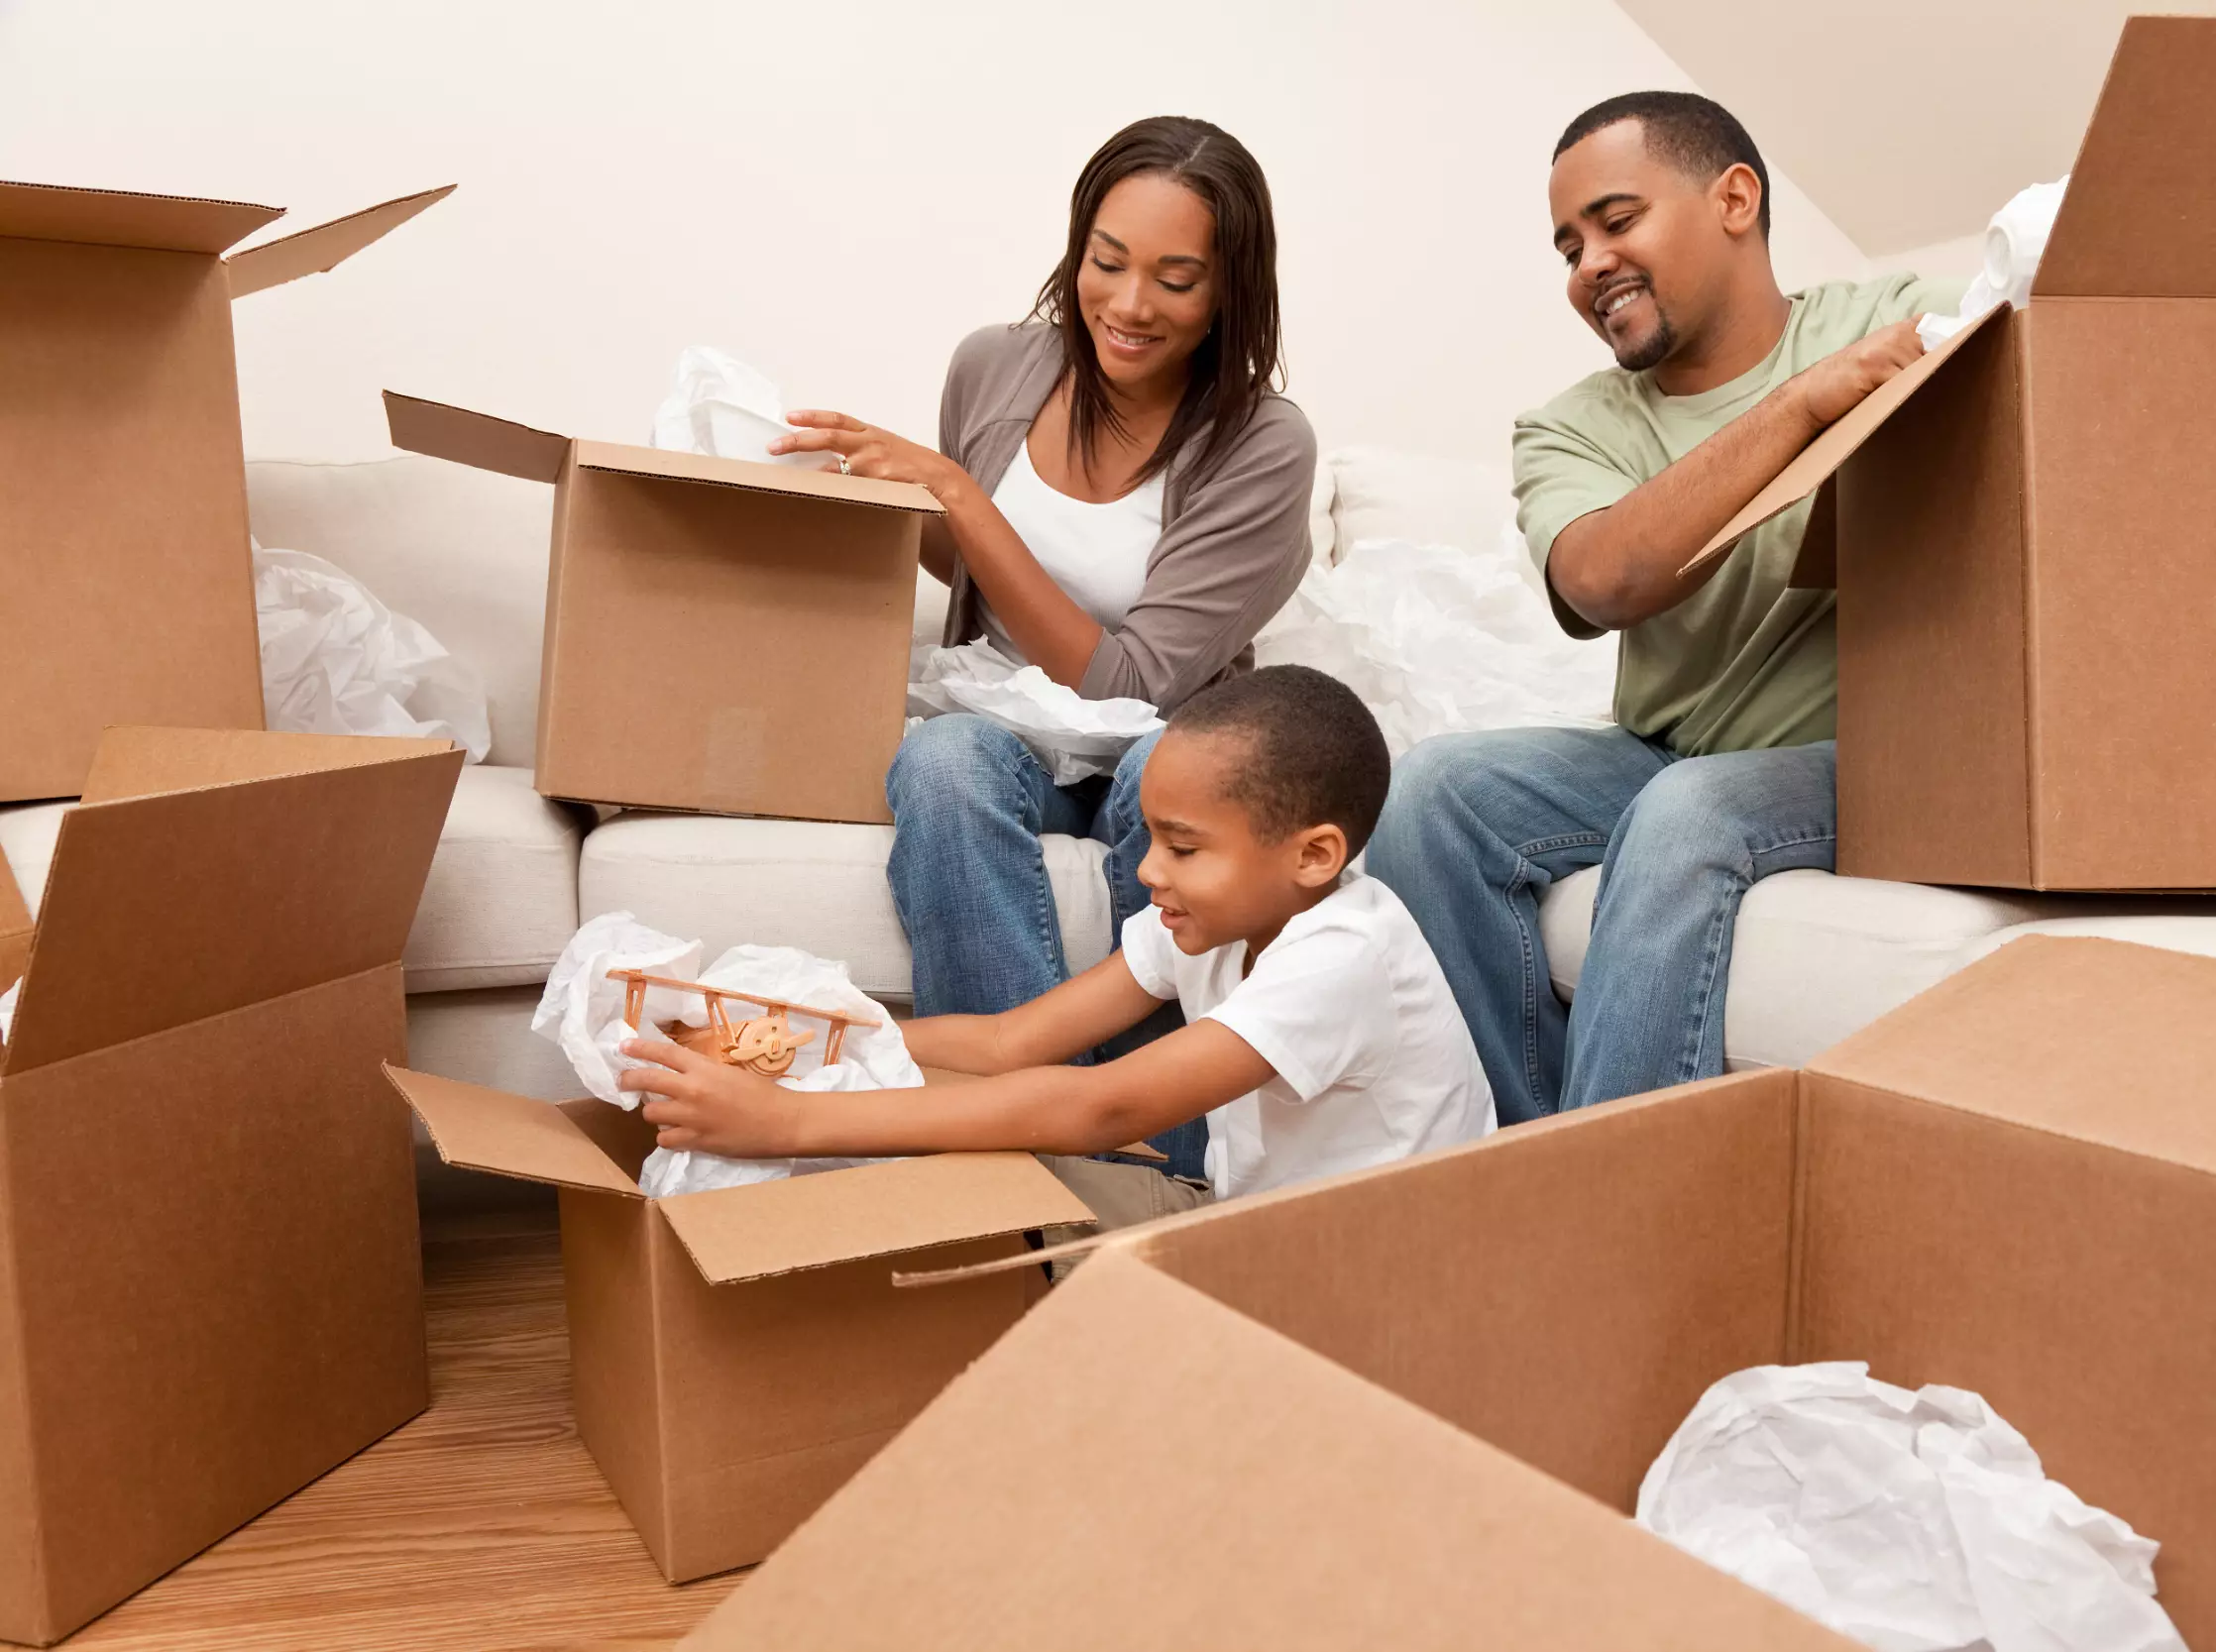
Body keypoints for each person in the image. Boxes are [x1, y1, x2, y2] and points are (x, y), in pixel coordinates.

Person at [1366, 91, 1962, 1124]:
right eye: (1566, 247)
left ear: (1734, 198)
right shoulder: (1567, 428)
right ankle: (1536, 1158)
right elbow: (1603, 582)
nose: (1588, 264)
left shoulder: (1887, 321)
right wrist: (1801, 404)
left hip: (1861, 753)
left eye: (1615, 220)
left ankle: (1603, 1202)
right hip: (1666, 746)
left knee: (1686, 813)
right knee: (1430, 792)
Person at [769, 117, 1316, 1178]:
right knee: (941, 758)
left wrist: (956, 494)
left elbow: (1130, 680)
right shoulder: (994, 365)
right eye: (1105, 262)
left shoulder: (1263, 442)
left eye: (1175, 278)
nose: (1126, 303)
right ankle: (1014, 1159)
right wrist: (866, 502)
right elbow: (966, 569)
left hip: (1161, 739)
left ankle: (1166, 1161)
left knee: (1173, 777)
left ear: (1229, 292)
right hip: (1003, 721)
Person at [617, 667, 1494, 1233]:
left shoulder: (1347, 953)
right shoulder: (1209, 921)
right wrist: (805, 1031)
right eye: (1149, 837)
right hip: (1244, 1221)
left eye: (1183, 848)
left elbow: (1105, 1108)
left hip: (1362, 1281)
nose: (1148, 869)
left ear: (1314, 855)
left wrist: (792, 1122)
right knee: (930, 1188)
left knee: (958, 1217)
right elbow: (1008, 1043)